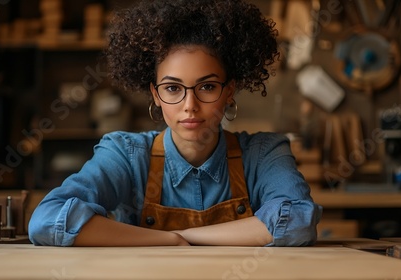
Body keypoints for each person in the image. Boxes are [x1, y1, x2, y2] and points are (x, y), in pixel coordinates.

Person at [28, 0, 322, 247]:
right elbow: (48, 220)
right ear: (155, 94)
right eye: (172, 89)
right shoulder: (125, 154)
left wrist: (185, 236)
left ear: (229, 90)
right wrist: (168, 242)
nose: (189, 106)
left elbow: (297, 222)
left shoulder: (264, 154)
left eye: (206, 87)